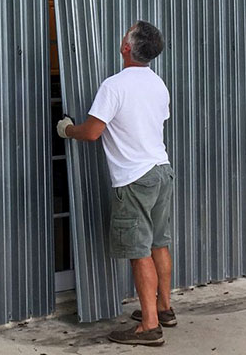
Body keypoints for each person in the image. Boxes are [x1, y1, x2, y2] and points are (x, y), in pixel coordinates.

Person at [57, 20, 176, 347]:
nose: (122, 35)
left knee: (139, 252)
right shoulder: (158, 84)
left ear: (127, 48)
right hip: (161, 170)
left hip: (134, 178)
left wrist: (67, 130)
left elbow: (93, 132)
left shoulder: (115, 85)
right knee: (158, 243)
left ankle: (150, 326)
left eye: (126, 33)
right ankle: (164, 308)